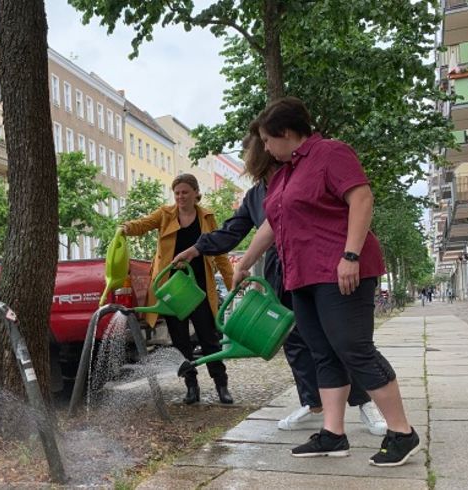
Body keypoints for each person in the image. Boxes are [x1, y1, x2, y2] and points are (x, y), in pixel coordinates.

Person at [233, 97, 418, 467]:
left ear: (286, 133)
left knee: (354, 348)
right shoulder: (285, 174)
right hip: (302, 277)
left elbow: (361, 198)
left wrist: (350, 255)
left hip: (340, 272)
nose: (266, 148)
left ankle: (402, 432)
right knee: (324, 354)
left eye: (268, 140)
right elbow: (271, 225)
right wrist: (244, 263)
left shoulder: (331, 153)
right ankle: (333, 435)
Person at [172, 126, 386, 436]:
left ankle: (365, 404)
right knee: (296, 342)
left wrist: (350, 256)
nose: (247, 161)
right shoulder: (256, 194)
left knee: (340, 339)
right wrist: (196, 249)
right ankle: (313, 405)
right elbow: (233, 230)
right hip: (281, 270)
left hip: (319, 265)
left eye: (250, 154)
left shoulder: (299, 175)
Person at [121, 174, 235, 404]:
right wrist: (125, 228)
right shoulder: (164, 214)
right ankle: (191, 386)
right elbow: (142, 224)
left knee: (209, 337)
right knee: (180, 340)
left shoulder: (207, 217)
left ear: (195, 193)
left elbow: (220, 253)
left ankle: (221, 385)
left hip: (200, 286)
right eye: (177, 193)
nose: (181, 196)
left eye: (185, 192)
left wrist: (232, 283)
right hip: (171, 287)